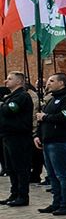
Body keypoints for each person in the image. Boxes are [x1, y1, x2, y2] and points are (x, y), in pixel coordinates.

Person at [34, 73, 66, 215]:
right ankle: (56, 202)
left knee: (62, 175)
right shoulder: (52, 99)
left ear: (61, 83)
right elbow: (41, 120)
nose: (49, 83)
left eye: (52, 81)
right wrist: (38, 135)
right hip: (47, 141)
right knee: (52, 175)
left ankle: (65, 204)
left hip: (59, 141)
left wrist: (46, 117)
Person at [0, 72, 34, 207]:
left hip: (18, 136)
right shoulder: (11, 96)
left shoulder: (22, 96)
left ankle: (22, 195)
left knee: (20, 167)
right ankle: (14, 193)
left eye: (9, 79)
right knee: (11, 167)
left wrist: (2, 105)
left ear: (19, 82)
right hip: (8, 135)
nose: (5, 81)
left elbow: (10, 110)